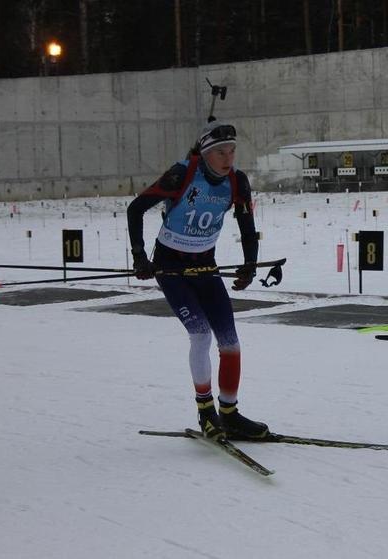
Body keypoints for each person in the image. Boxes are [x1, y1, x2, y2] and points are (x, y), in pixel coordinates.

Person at [127, 121, 268, 441]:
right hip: (170, 267)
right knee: (201, 335)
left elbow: (247, 225)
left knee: (230, 342)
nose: (228, 157)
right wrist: (140, 258)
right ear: (205, 154)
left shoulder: (237, 181)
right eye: (220, 152)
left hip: (205, 265)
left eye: (232, 151)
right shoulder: (182, 174)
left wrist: (249, 266)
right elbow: (136, 209)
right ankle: (206, 413)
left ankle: (229, 414)